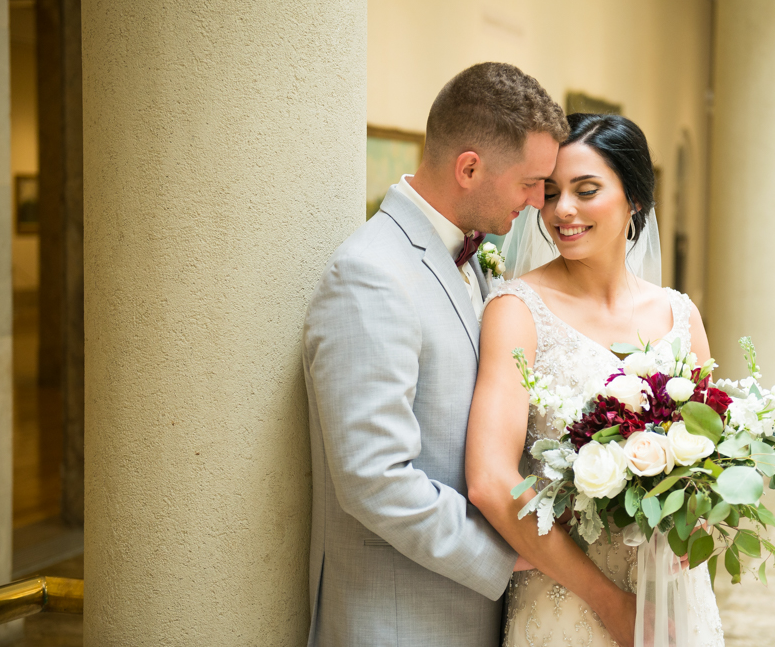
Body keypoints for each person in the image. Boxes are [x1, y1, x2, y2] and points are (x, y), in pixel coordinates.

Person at [303, 62, 575, 646]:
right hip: (401, 622)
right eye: (530, 182)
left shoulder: (470, 256)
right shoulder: (371, 276)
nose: (537, 204)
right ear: (470, 168)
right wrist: (508, 553)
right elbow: (374, 478)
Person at [466, 113, 725, 647]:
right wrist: (610, 602)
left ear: (633, 198)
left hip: (672, 594)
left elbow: (715, 459)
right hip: (564, 597)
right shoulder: (518, 311)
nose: (563, 210)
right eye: (551, 192)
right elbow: (492, 480)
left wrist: (697, 518)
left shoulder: (680, 315)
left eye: (586, 190)